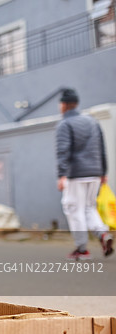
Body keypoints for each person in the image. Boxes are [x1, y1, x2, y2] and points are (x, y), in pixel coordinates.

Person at [55, 87, 113, 260]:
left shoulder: (65, 124)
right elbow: (102, 148)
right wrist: (103, 172)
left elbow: (63, 151)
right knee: (89, 207)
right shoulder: (92, 122)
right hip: (95, 173)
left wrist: (61, 175)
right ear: (77, 104)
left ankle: (82, 249)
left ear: (64, 105)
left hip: (76, 175)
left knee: (74, 209)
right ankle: (103, 234)